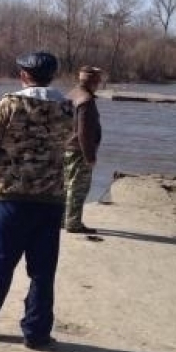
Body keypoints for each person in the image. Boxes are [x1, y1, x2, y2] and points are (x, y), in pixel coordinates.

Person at [0, 51, 73, 349]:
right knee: (43, 271)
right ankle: (37, 333)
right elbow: (70, 147)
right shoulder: (68, 108)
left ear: (23, 75)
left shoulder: (9, 104)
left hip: (11, 199)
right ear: (52, 76)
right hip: (51, 200)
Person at [63, 66, 104, 234]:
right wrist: (90, 157)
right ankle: (73, 223)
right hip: (78, 151)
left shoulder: (71, 94)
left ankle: (63, 220)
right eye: (98, 81)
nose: (100, 84)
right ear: (93, 82)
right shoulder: (86, 101)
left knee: (66, 186)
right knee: (78, 188)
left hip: (66, 149)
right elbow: (84, 132)